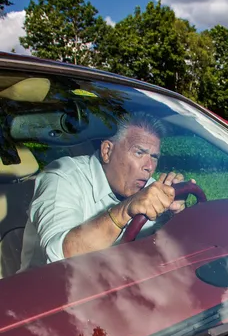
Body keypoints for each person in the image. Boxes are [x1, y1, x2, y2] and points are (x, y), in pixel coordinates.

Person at [20, 112, 190, 270]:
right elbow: (61, 258)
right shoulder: (63, 178)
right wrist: (124, 211)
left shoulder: (149, 187)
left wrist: (175, 216)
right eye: (139, 153)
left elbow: (171, 252)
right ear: (107, 151)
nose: (149, 167)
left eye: (154, 157)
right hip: (49, 289)